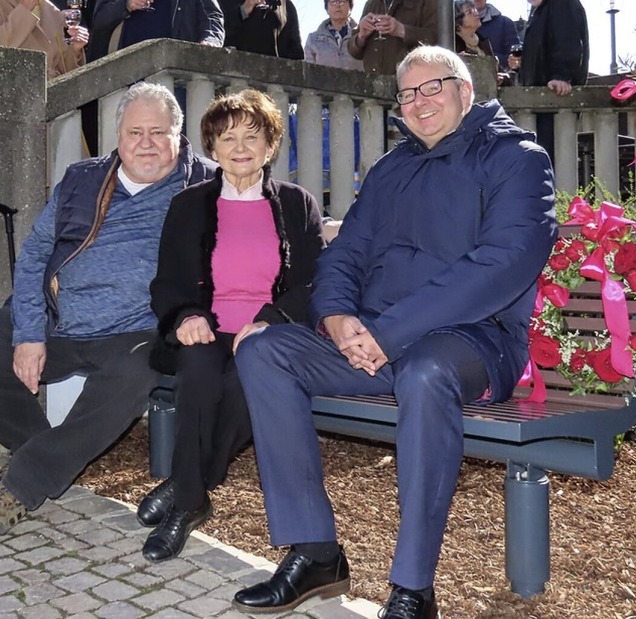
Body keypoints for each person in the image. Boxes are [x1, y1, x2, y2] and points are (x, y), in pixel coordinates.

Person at [232, 45, 557, 618]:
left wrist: (387, 332)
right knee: (265, 350)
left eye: (433, 87)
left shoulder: (517, 159)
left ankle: (412, 587)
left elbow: (502, 263)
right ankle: (314, 551)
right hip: (375, 346)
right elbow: (345, 255)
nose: (419, 101)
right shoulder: (389, 168)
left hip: (471, 344)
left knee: (426, 369)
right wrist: (336, 317)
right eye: (408, 93)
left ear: (465, 91)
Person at [0, 82, 216, 535]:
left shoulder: (206, 185)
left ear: (179, 135)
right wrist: (29, 334)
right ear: (116, 135)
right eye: (135, 132)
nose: (146, 143)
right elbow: (37, 253)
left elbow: (267, 209)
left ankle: (24, 484)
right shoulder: (82, 179)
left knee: (137, 371)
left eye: (158, 132)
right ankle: (42, 448)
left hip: (136, 331)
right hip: (60, 317)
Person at [136, 89, 324, 563]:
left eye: (252, 136)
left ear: (271, 145)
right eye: (227, 137)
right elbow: (167, 283)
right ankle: (193, 500)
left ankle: (185, 490)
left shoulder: (297, 204)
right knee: (198, 369)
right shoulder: (189, 204)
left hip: (268, 332)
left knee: (250, 376)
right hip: (207, 326)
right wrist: (187, 316)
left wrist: (270, 320)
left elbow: (315, 282)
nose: (240, 147)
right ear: (212, 149)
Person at [509, 0, 589, 159]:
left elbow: (568, 40)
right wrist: (522, 64)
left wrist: (562, 76)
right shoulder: (540, 10)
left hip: (554, 99)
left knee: (552, 159)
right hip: (541, 99)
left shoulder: (561, 3)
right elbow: (544, 48)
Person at [90, 0, 224, 59]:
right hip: (126, 74)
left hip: (174, 71)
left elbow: (211, 15)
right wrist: (126, 5)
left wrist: (210, 42)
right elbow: (99, 20)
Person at [0, 0, 89, 78]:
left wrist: (75, 50)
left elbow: (60, 67)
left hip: (53, 93)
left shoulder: (51, 10)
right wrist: (24, 10)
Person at [346, 0, 437, 75]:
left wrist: (401, 30)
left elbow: (437, 41)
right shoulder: (371, 4)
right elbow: (354, 52)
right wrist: (361, 36)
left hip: (410, 84)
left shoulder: (427, 3)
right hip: (373, 85)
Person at [219, 0, 303, 60]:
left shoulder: (285, 5)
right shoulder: (224, 2)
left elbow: (295, 50)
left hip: (274, 77)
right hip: (235, 75)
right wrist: (243, 11)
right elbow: (218, 35)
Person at [304, 0, 362, 71]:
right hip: (323, 82)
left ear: (350, 6)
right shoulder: (313, 39)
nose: (338, 6)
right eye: (333, 2)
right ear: (327, 8)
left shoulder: (361, 36)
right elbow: (309, 73)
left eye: (342, 2)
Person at [473, 0, 519, 72]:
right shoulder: (451, 25)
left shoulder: (505, 23)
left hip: (497, 79)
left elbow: (515, 59)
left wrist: (484, 58)